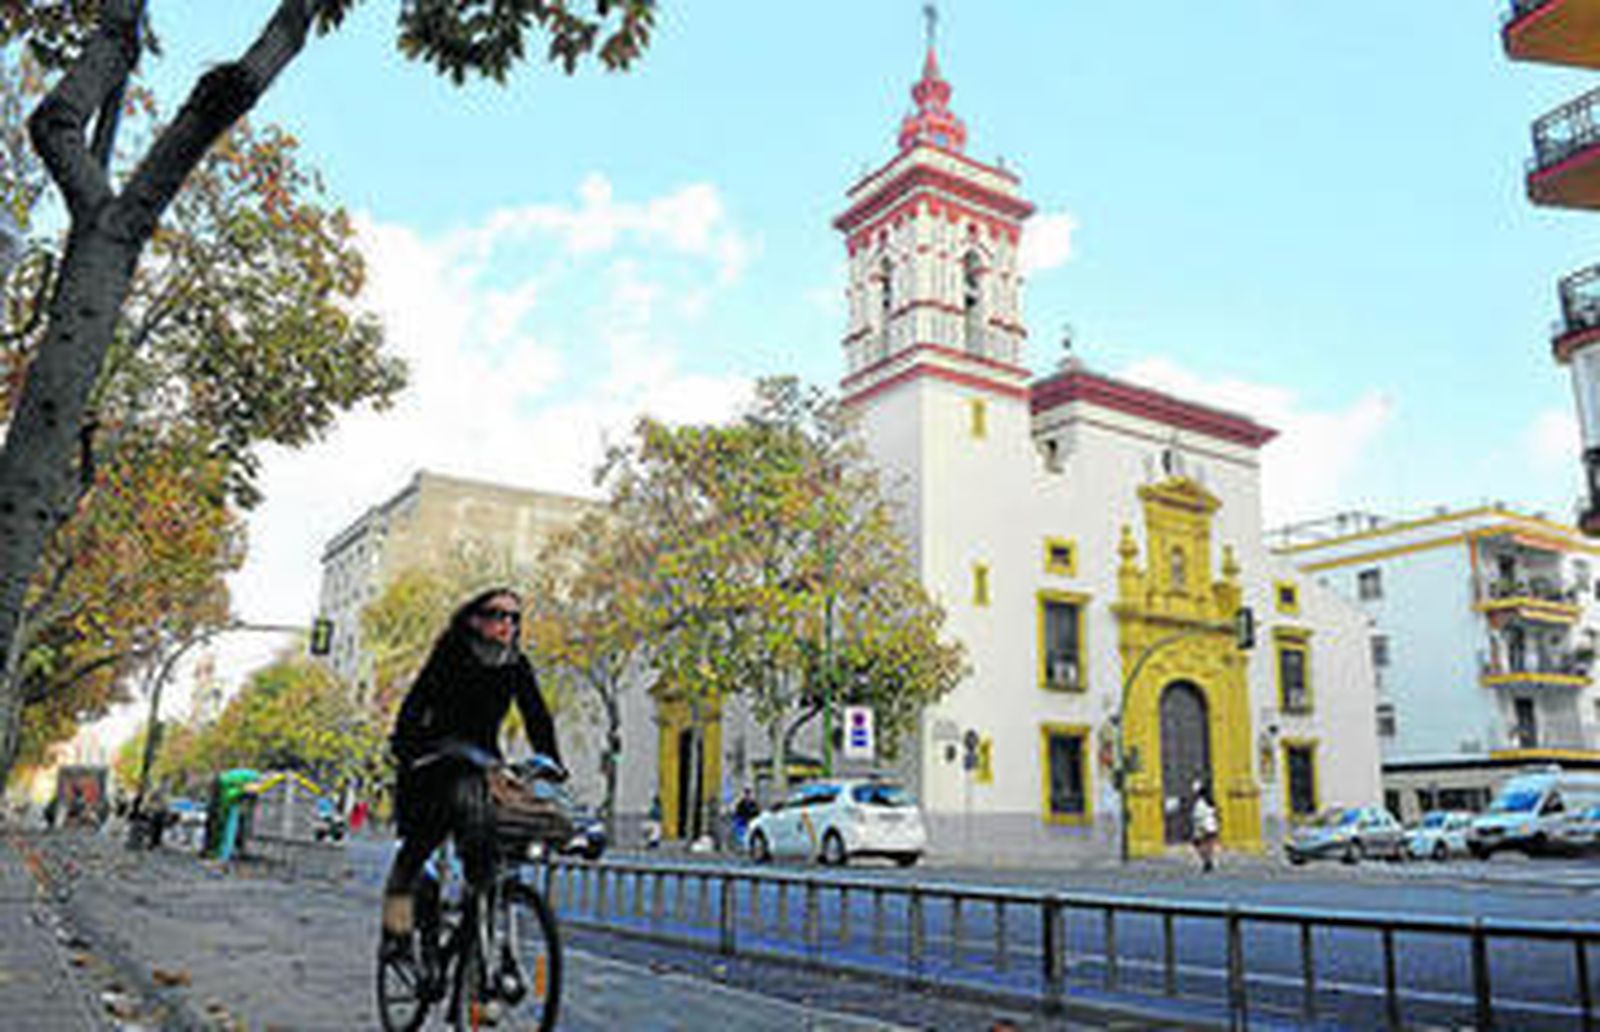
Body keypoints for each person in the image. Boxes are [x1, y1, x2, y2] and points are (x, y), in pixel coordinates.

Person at [379, 587, 563, 962]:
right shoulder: (449, 657)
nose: (507, 624)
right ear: (474, 620)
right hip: (431, 767)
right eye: (498, 614)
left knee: (486, 856)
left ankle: (473, 938)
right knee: (414, 856)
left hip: (482, 770)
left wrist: (550, 759)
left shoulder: (515, 664)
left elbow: (536, 715)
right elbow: (414, 707)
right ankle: (396, 933)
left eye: (514, 618)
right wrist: (407, 750)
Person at [1191, 782, 1220, 872]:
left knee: (1199, 844)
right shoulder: (1210, 802)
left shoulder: (1200, 803)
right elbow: (1215, 813)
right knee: (1210, 844)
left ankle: (1207, 861)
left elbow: (1198, 816)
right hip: (1212, 825)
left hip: (1203, 827)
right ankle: (1212, 861)